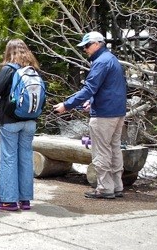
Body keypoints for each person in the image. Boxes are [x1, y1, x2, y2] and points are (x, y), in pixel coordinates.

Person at [54, 31, 127, 199]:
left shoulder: (100, 62)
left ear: (97, 44)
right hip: (117, 112)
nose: (85, 49)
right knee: (114, 148)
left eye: (86, 46)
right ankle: (116, 186)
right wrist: (93, 100)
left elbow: (89, 88)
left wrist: (67, 105)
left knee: (101, 151)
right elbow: (112, 87)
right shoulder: (112, 59)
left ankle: (104, 188)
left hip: (104, 114)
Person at [0, 39, 41, 211]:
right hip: (30, 120)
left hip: (10, 120)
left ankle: (8, 201)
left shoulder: (9, 69)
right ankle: (25, 199)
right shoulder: (33, 71)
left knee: (8, 158)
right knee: (25, 158)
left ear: (8, 52)